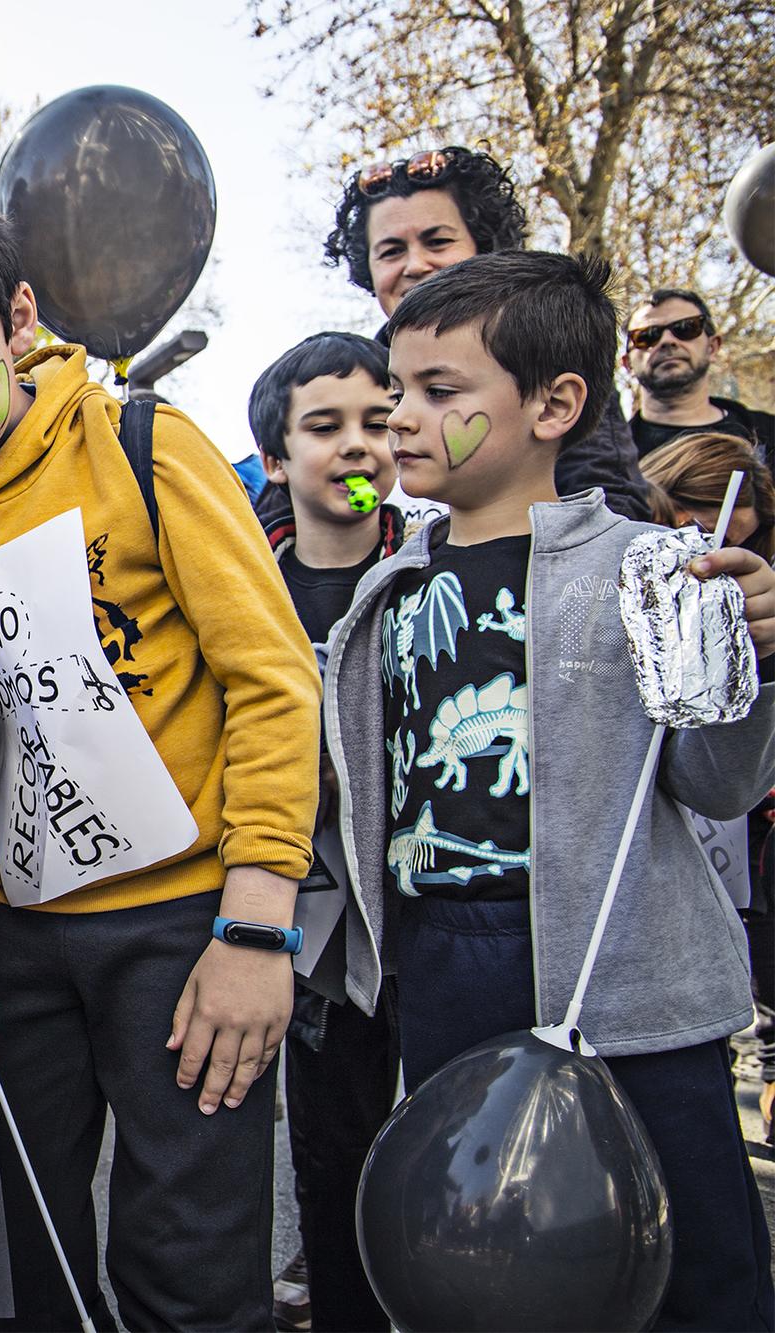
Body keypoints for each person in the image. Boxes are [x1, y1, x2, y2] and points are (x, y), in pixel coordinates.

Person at [0, 176, 322, 1331]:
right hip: (8, 941)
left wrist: (254, 925)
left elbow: (270, 679)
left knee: (190, 1266)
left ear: (21, 320)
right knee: (16, 1259)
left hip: (181, 929)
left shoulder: (144, 443)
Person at [323, 250, 775, 1330]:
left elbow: (715, 781)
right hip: (446, 967)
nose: (400, 419)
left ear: (553, 404)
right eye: (397, 391)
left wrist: (745, 659)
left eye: (439, 392)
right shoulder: (383, 594)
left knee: (691, 1267)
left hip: (629, 985)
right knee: (480, 1263)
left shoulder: (650, 566)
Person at [248, 332, 405, 1333]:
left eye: (376, 423)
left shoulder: (430, 574)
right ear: (273, 458)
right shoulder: (246, 592)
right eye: (324, 426)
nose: (355, 447)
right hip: (310, 940)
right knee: (333, 1153)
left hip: (425, 917)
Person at [299, 145, 649, 521]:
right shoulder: (338, 376)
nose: (415, 265)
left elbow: (610, 497)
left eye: (437, 242)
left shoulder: (548, 359)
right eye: (391, 251)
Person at [641, 432, 775, 1147]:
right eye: (680, 504)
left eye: (724, 505)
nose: (699, 527)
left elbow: (721, 783)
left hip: (731, 864)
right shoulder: (626, 576)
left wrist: (758, 661)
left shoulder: (755, 594)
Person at [625, 287, 775, 465]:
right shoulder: (608, 458)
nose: (667, 341)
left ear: (713, 347)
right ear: (628, 364)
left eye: (686, 328)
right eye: (647, 336)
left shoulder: (769, 435)